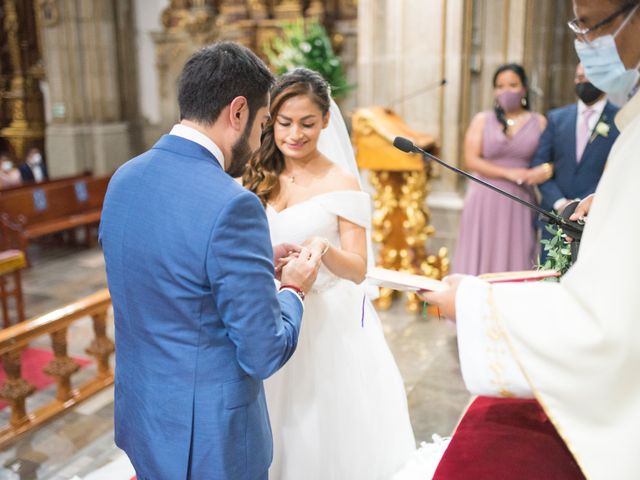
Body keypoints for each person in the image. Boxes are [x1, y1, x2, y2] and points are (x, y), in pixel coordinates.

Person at [422, 0, 640, 477]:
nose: (582, 41)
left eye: (588, 24)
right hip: (495, 201)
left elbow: (606, 321)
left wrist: (477, 303)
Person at [99, 42, 321, 480]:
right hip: (208, 441)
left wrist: (255, 263)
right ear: (237, 112)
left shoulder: (124, 177)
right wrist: (293, 288)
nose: (260, 144)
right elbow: (263, 352)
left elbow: (168, 273)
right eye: (262, 125)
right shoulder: (232, 205)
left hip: (145, 413)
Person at [243, 68, 416, 480]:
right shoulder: (257, 170)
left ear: (325, 120)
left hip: (325, 322)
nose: (294, 135)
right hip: (268, 312)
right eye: (284, 123)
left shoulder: (340, 180)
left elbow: (358, 269)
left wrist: (325, 250)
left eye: (307, 123)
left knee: (317, 430)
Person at [452, 64, 550, 276]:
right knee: (483, 250)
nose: (506, 91)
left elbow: (549, 158)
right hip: (485, 196)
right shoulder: (482, 120)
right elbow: (471, 159)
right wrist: (509, 174)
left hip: (520, 198)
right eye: (500, 86)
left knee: (518, 250)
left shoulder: (539, 121)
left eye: (512, 85)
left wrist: (541, 171)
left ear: (524, 89)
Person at [532, 63, 620, 261]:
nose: (583, 82)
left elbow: (619, 172)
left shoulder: (620, 120)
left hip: (595, 220)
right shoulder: (556, 118)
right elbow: (539, 165)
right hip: (555, 219)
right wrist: (560, 202)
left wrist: (588, 202)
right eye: (579, 77)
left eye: (589, 77)